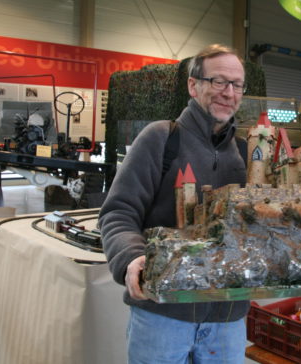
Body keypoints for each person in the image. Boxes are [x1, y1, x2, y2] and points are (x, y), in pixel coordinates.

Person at [98, 44, 249, 364]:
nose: (229, 93)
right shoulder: (161, 138)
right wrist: (131, 257)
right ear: (193, 85)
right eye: (218, 81)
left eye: (237, 85)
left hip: (227, 318)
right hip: (164, 314)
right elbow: (118, 212)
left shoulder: (245, 152)